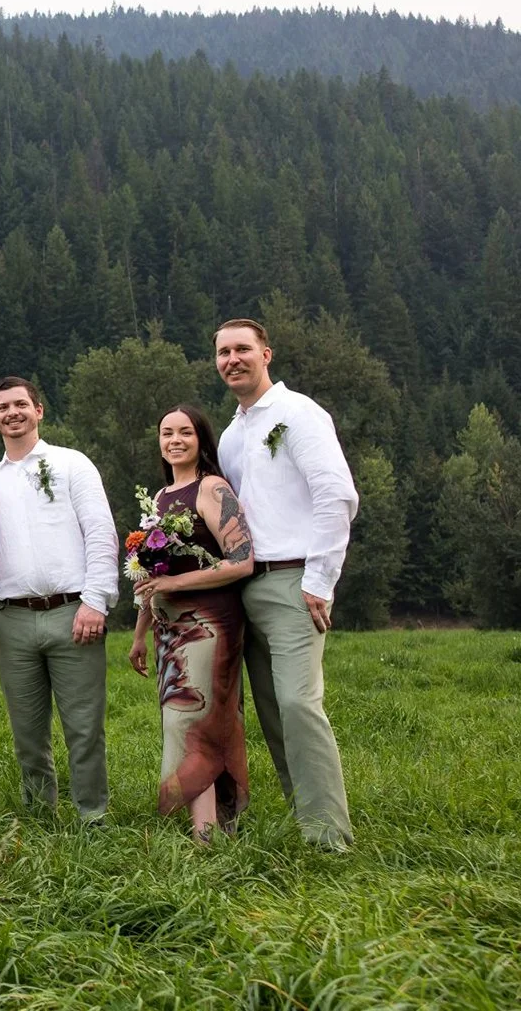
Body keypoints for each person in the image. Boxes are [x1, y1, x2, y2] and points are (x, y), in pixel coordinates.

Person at [215, 318, 358, 849]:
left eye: (242, 349)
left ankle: (330, 840)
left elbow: (336, 496)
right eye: (223, 352)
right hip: (248, 586)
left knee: (299, 704)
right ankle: (307, 822)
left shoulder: (299, 414)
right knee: (273, 713)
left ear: (266, 354)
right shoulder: (232, 436)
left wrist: (320, 579)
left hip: (297, 580)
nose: (233, 359)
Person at [0, 376, 118, 822]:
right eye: (3, 408)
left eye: (22, 404)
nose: (13, 413)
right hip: (12, 618)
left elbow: (100, 532)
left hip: (73, 611)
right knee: (27, 730)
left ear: (39, 410)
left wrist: (96, 601)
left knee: (83, 726)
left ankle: (91, 815)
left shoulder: (71, 464)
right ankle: (39, 815)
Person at [126, 404, 254, 839]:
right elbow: (153, 577)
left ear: (201, 439)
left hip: (210, 623)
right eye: (166, 433)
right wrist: (141, 633)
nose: (174, 440)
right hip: (168, 628)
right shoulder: (160, 499)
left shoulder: (212, 488)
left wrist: (178, 584)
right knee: (179, 721)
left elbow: (242, 561)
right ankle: (215, 826)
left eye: (185, 432)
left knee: (195, 718)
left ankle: (206, 833)